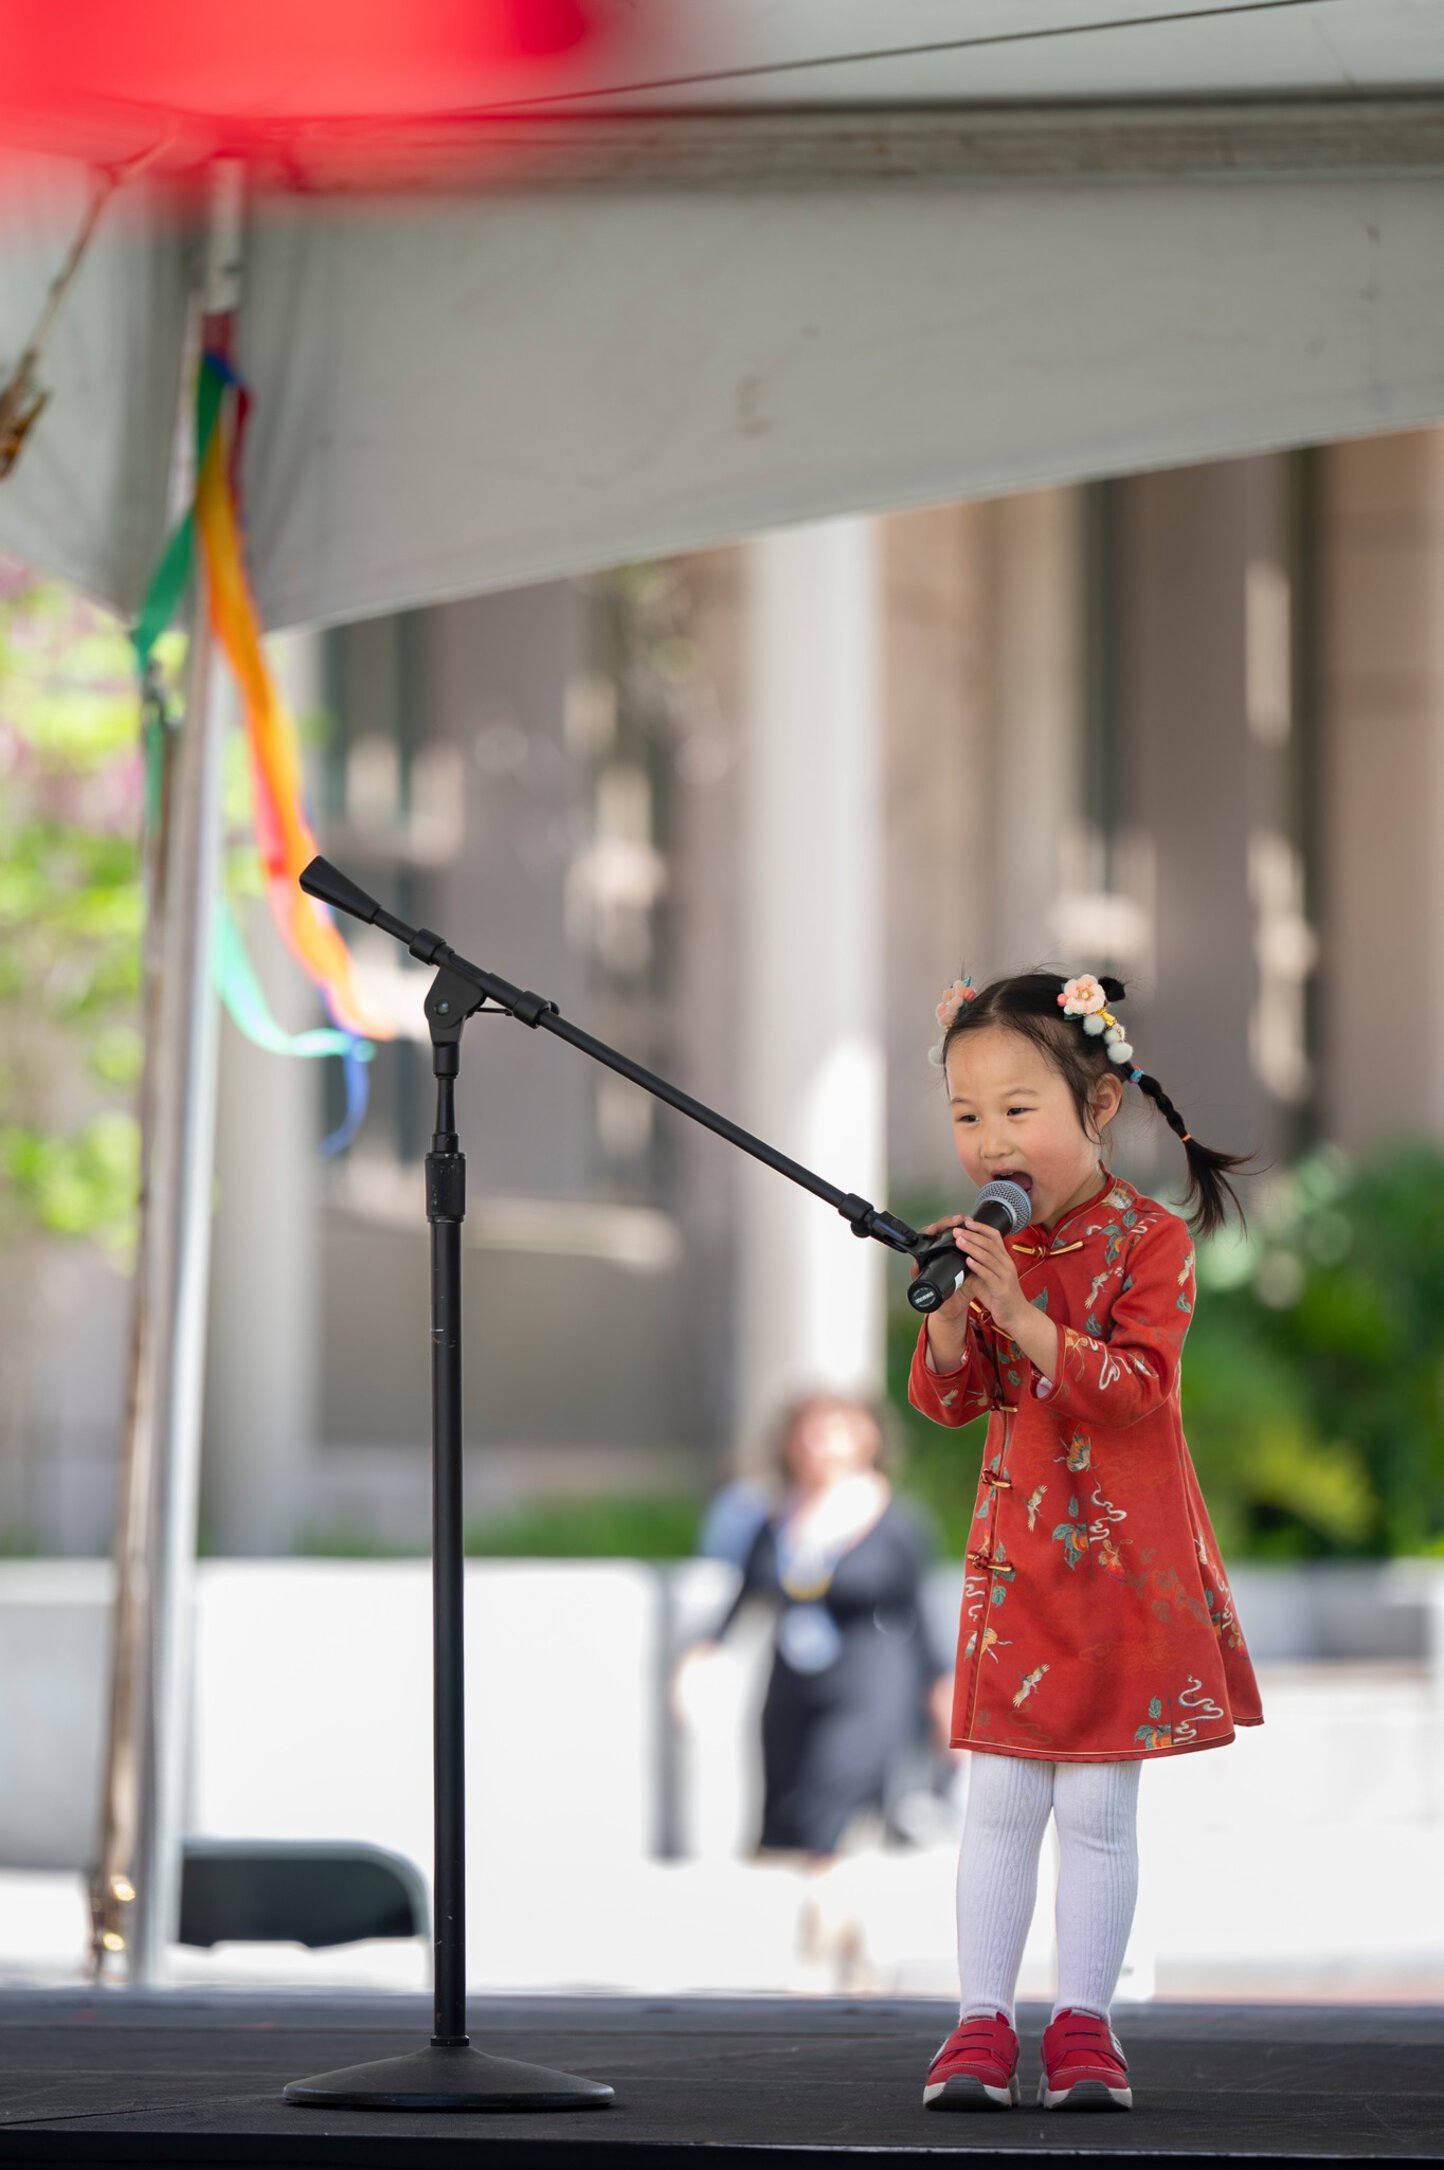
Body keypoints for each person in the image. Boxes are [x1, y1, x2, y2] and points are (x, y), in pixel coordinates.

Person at [912, 970, 1263, 2115]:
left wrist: (1018, 1311)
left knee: (1098, 1811)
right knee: (1002, 1801)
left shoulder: (1150, 1242)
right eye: (967, 1115)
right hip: (1018, 1561)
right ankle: (976, 2025)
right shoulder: (982, 1245)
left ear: (1098, 1105)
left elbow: (1134, 1390)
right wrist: (956, 1315)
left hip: (1122, 1566)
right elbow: (949, 1401)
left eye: (1019, 1109)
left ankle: (1083, 2027)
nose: (987, 1138)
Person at [676, 1392, 953, 1864]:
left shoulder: (896, 1521)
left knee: (832, 1807)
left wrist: (943, 1692)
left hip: (870, 1682)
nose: (819, 1445)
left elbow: (923, 1613)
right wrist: (702, 1655)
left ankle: (830, 1921)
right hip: (792, 1683)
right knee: (783, 1819)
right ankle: (813, 1925)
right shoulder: (773, 1521)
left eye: (835, 1431)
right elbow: (744, 1601)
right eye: (808, 1432)